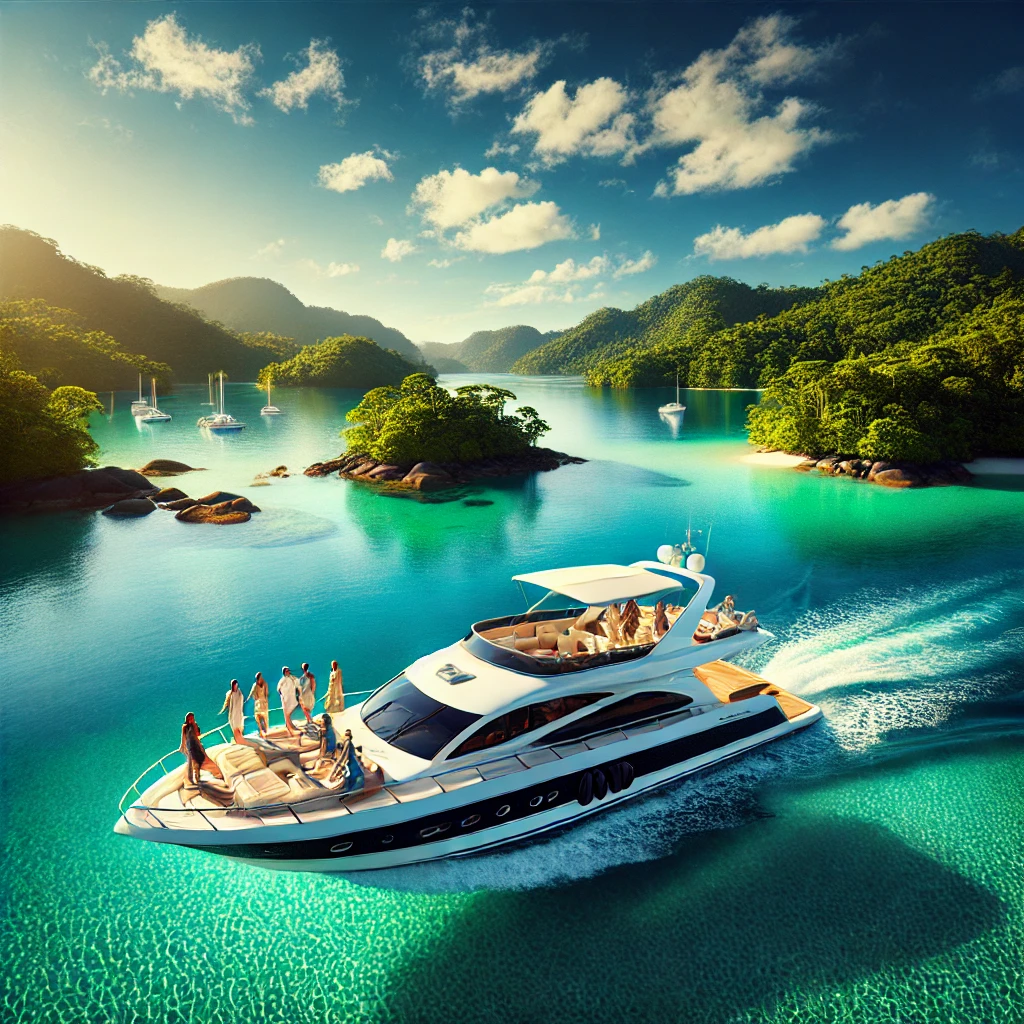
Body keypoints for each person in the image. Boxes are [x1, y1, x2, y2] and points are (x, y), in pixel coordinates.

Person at [179, 712, 224, 786]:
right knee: (196, 767)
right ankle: (199, 781)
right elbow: (184, 737)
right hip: (193, 751)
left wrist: (192, 723)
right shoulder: (186, 728)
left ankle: (216, 776)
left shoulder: (193, 727)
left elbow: (197, 734)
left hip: (197, 749)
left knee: (203, 763)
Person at [219, 678, 245, 743]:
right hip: (233, 714)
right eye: (234, 685)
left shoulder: (239, 692)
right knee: (235, 728)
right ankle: (237, 741)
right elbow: (228, 703)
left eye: (236, 685)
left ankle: (240, 739)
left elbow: (241, 700)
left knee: (240, 727)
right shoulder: (229, 694)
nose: (235, 686)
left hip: (239, 713)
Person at [277, 666, 301, 735]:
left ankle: (289, 724)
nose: (289, 672)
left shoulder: (292, 677)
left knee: (291, 709)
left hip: (292, 697)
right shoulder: (283, 679)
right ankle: (289, 725)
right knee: (287, 711)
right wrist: (282, 695)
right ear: (284, 672)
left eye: (289, 670)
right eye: (287, 671)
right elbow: (278, 688)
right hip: (286, 698)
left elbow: (297, 681)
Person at [248, 672, 270, 737]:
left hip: (260, 703)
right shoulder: (264, 684)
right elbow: (267, 693)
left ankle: (263, 732)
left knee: (259, 717)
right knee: (263, 717)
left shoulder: (257, 685)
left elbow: (252, 694)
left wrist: (253, 698)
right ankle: (264, 731)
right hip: (262, 703)